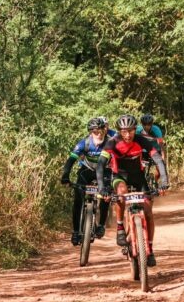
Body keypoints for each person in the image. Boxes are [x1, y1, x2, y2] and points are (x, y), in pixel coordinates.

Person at [96, 114, 169, 266]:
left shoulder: (143, 141)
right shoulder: (112, 142)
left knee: (148, 211)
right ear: (119, 132)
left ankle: (149, 249)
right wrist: (102, 188)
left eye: (130, 131)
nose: (128, 135)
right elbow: (101, 165)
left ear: (136, 130)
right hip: (119, 176)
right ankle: (121, 227)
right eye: (124, 131)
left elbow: (158, 161)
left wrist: (164, 181)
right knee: (121, 193)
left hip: (138, 177)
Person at [61, 118, 111, 246]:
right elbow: (71, 160)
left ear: (104, 130)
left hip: (105, 171)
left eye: (100, 131)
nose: (98, 134)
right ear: (90, 132)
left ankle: (101, 225)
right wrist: (65, 176)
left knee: (106, 196)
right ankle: (76, 231)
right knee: (78, 198)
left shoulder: (110, 143)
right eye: (95, 132)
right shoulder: (84, 143)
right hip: (87, 170)